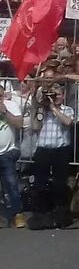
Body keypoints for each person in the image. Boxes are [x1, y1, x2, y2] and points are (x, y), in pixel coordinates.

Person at [28, 82, 74, 221]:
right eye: (53, 95)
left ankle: (59, 211)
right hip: (43, 149)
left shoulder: (67, 109)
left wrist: (54, 108)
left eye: (58, 95)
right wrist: (40, 108)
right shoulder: (43, 110)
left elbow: (68, 122)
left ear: (63, 96)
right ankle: (40, 212)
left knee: (60, 183)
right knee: (40, 182)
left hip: (61, 149)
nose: (56, 98)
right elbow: (35, 126)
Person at [1, 82, 27, 227]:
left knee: (12, 185)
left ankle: (18, 214)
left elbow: (19, 123)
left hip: (7, 152)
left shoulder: (11, 105)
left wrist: (4, 111)